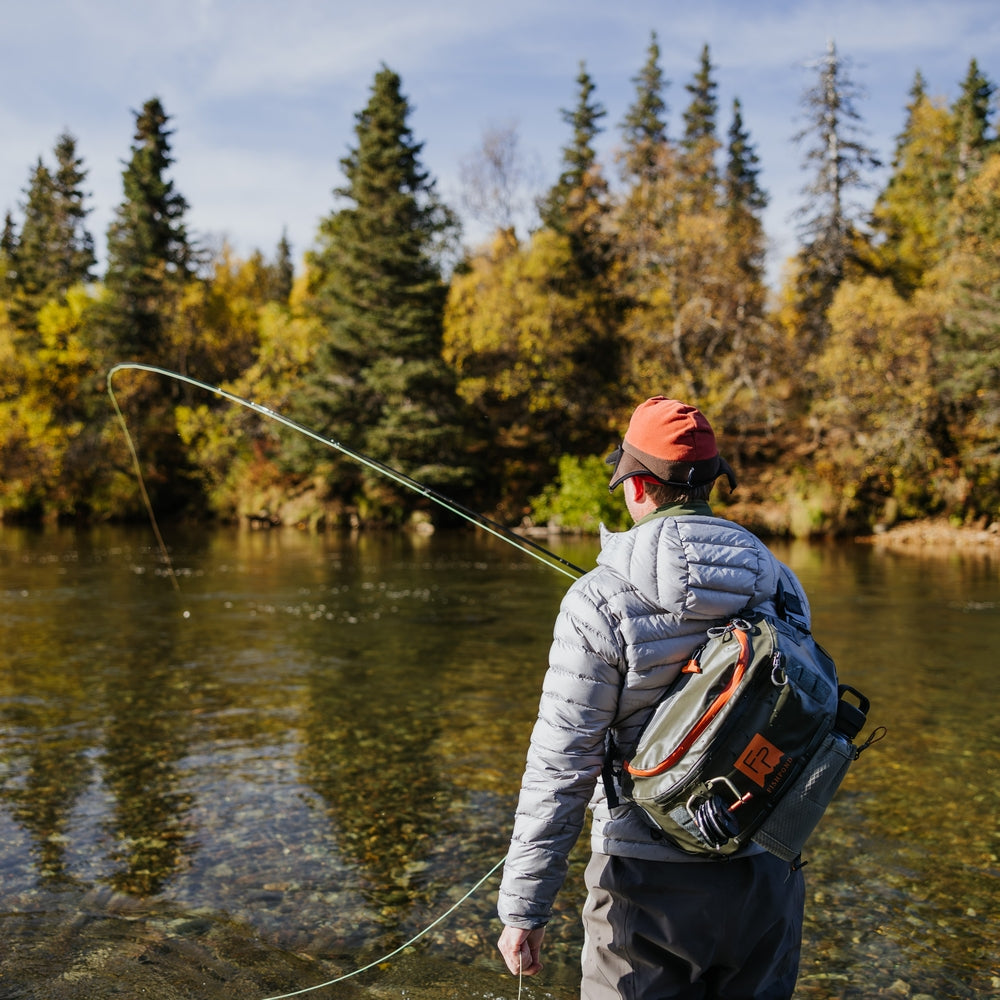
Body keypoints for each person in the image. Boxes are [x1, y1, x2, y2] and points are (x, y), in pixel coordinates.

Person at [497, 396, 809, 1000]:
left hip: (642, 885)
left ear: (636, 485)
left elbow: (561, 766)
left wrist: (523, 910)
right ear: (713, 483)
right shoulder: (782, 585)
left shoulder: (595, 602)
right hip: (764, 872)